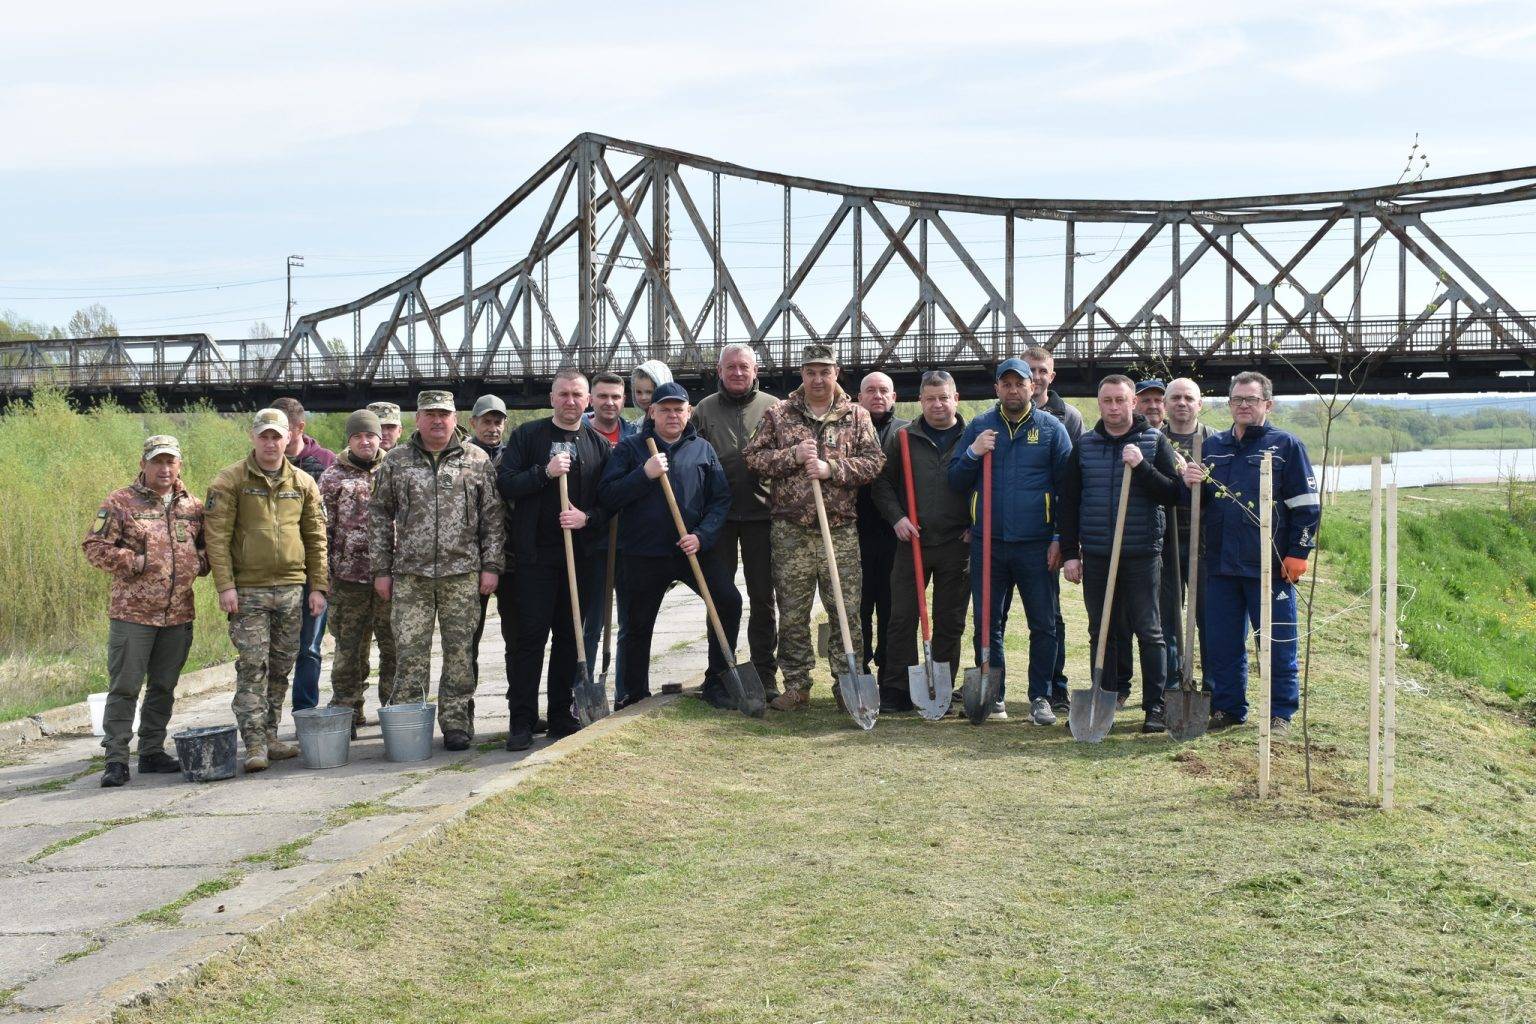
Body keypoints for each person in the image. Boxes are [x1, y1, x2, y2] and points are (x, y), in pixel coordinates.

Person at [743, 344, 884, 710]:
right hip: (791, 531)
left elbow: (874, 463)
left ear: (836, 373)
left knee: (845, 609)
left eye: (825, 371)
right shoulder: (779, 414)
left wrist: (831, 469)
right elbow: (753, 459)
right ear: (802, 375)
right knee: (792, 612)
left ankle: (846, 682)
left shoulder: (856, 416)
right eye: (810, 372)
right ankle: (797, 684)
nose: (818, 379)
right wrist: (792, 456)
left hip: (839, 529)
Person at [1180, 371, 1318, 737]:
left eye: (1251, 400)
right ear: (1229, 404)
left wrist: (1299, 552)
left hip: (1270, 566)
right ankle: (1228, 708)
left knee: (1276, 643)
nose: (1243, 405)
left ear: (1267, 405)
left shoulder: (1286, 447)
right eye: (1237, 399)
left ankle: (1279, 714)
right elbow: (1198, 504)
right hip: (1221, 564)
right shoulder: (1213, 447)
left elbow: (1307, 506)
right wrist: (1189, 483)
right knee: (1223, 643)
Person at [369, 391, 504, 752]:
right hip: (410, 575)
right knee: (409, 653)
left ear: (455, 417)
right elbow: (380, 517)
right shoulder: (396, 461)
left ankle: (457, 722)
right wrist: (381, 570)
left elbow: (492, 517)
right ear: (418, 418)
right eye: (430, 414)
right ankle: (410, 725)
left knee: (460, 653)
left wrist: (491, 566)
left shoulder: (476, 459)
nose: (438, 421)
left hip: (462, 573)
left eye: (444, 414)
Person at [597, 382, 740, 707]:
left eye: (679, 409)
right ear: (653, 412)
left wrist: (702, 536)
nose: (673, 415)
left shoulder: (702, 448)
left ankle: (717, 682)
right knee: (636, 625)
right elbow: (608, 495)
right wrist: (643, 474)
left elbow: (721, 499)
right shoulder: (631, 449)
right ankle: (633, 694)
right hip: (642, 553)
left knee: (728, 601)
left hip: (691, 550)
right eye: (666, 409)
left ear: (688, 412)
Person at [204, 409, 329, 772]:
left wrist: (318, 586)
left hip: (292, 589)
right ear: (253, 437)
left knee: (280, 667)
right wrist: (225, 585)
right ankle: (254, 743)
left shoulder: (303, 483)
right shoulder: (230, 481)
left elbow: (316, 538)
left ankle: (272, 735)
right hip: (248, 592)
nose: (271, 443)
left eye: (278, 436)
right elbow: (217, 538)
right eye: (265, 436)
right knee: (252, 667)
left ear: (289, 436)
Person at [948, 358, 1072, 722]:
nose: (1014, 389)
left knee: (1044, 623)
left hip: (1037, 544)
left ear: (1032, 387)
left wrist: (1059, 538)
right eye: (1007, 384)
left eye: (1020, 383)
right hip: (990, 542)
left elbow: (1067, 490)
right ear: (997, 389)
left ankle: (1041, 697)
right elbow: (956, 480)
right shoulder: (980, 426)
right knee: (988, 622)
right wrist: (974, 452)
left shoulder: (1051, 429)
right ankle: (994, 693)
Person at [82, 435, 210, 787]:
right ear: (144, 464)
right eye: (157, 461)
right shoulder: (120, 502)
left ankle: (152, 750)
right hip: (133, 615)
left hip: (178, 613)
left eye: (171, 461)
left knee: (163, 686)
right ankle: (117, 758)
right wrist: (134, 561)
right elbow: (93, 546)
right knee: (124, 686)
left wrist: (197, 563)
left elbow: (208, 548)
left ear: (179, 465)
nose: (164, 468)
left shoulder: (192, 506)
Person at [1059, 376, 1182, 733]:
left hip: (1142, 553)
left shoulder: (1155, 441)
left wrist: (1142, 466)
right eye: (1107, 401)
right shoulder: (1084, 446)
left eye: (1120, 400)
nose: (1114, 407)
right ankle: (1104, 702)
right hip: (1097, 553)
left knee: (1150, 631)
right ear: (1099, 404)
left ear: (1133, 404)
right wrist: (1070, 553)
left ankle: (1155, 707)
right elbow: (1069, 503)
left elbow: (1173, 494)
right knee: (1102, 631)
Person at [497, 369, 611, 750]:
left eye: (578, 395)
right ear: (551, 398)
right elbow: (506, 482)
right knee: (530, 639)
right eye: (563, 394)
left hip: (579, 558)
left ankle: (562, 712)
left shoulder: (598, 445)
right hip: (535, 557)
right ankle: (522, 718)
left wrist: (586, 518)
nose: (570, 401)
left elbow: (607, 503)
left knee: (569, 637)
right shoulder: (528, 437)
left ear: (588, 400)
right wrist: (543, 473)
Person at [870, 371, 969, 713]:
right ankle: (897, 688)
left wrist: (977, 524)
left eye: (944, 397)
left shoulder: (973, 437)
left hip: (958, 543)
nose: (937, 404)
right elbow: (881, 484)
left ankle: (940, 686)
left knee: (950, 619)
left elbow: (987, 486)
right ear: (920, 401)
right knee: (902, 617)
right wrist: (897, 518)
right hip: (912, 542)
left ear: (956, 398)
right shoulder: (902, 438)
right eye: (930, 398)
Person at [693, 343, 780, 699]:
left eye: (744, 367)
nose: (738, 373)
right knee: (720, 597)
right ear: (720, 371)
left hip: (764, 515)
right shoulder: (703, 410)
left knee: (763, 597)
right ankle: (720, 672)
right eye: (731, 368)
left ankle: (764, 674)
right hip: (720, 519)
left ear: (755, 370)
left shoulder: (775, 408)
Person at [318, 410, 395, 737]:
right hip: (349, 580)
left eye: (371, 435)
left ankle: (395, 712)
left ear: (380, 438)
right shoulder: (332, 477)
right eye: (358, 436)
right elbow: (322, 532)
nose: (365, 441)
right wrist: (324, 578)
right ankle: (348, 711)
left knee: (394, 648)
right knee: (349, 651)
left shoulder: (396, 469)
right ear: (349, 439)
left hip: (393, 577)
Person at [1023, 345, 1083, 713]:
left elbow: (1072, 480)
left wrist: (1065, 535)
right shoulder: (999, 414)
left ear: (1051, 375)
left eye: (1042, 370)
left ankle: (1055, 685)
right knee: (998, 615)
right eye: (1029, 370)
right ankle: (995, 685)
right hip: (1010, 533)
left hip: (1050, 533)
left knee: (1050, 615)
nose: (1035, 376)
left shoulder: (1068, 417)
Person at [269, 396, 336, 714]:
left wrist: (323, 577)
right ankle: (267, 721)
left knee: (309, 648)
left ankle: (305, 712)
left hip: (314, 569)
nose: (275, 439)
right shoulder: (260, 463)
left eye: (283, 431)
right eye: (270, 433)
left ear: (299, 428)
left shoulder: (326, 461)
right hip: (272, 572)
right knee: (271, 651)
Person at [581, 371, 639, 702]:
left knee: (629, 621)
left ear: (624, 400)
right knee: (593, 621)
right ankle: (586, 689)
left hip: (629, 540)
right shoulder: (580, 435)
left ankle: (625, 690)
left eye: (616, 397)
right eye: (602, 396)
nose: (609, 402)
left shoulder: (634, 434)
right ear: (592, 399)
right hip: (595, 541)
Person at [1163, 377, 1216, 690]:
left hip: (1204, 543)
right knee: (1167, 620)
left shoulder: (1216, 443)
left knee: (1209, 619)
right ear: (1166, 404)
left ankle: (1211, 685)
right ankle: (1171, 684)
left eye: (1188, 398)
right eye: (1176, 398)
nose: (1181, 403)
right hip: (1166, 542)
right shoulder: (1154, 440)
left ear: (1200, 404)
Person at [855, 372, 907, 680]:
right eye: (870, 391)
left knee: (892, 606)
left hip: (894, 536)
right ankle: (858, 670)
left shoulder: (906, 432)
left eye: (883, 390)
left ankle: (890, 672)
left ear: (894, 396)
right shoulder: (847, 431)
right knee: (858, 607)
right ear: (859, 398)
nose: (877, 396)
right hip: (855, 532)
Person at [466, 394, 517, 694]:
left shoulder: (514, 456)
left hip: (511, 559)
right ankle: (463, 713)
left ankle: (518, 710)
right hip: (472, 562)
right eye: (486, 421)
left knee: (518, 639)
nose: (493, 428)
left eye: (498, 422)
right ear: (473, 423)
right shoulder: (461, 458)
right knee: (467, 642)